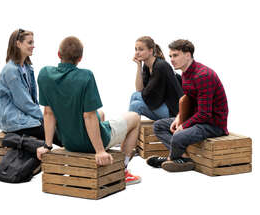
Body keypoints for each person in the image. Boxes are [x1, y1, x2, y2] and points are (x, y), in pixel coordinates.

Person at [37, 36, 141, 185]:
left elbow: (48, 112)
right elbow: (89, 116)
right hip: (90, 143)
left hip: (68, 141)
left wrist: (47, 145)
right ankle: (122, 170)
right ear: (80, 58)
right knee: (135, 117)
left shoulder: (45, 74)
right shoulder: (85, 76)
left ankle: (100, 167)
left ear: (59, 55)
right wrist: (99, 151)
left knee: (101, 114)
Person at [146, 39, 229, 172]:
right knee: (159, 126)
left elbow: (205, 114)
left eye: (176, 55)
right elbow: (188, 101)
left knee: (179, 136)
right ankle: (182, 157)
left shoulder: (203, 75)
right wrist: (179, 117)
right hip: (198, 118)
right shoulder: (185, 74)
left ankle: (170, 159)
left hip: (213, 124)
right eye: (170, 56)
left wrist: (184, 125)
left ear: (188, 55)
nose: (172, 59)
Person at [0, 29, 61, 146]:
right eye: (30, 43)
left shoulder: (27, 68)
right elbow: (24, 103)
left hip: (26, 119)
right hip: (15, 122)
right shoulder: (11, 71)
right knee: (58, 134)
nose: (33, 46)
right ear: (18, 44)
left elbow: (32, 100)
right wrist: (44, 118)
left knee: (57, 127)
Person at [129, 36, 183, 120]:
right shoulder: (147, 66)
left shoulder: (160, 66)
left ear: (150, 51)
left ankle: (129, 128)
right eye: (136, 49)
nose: (137, 53)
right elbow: (140, 89)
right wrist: (139, 66)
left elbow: (148, 95)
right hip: (162, 107)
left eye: (141, 49)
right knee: (135, 105)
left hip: (173, 112)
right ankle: (133, 130)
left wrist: (140, 93)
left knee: (135, 96)